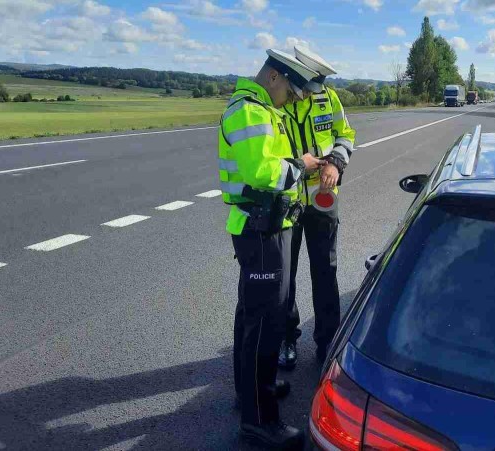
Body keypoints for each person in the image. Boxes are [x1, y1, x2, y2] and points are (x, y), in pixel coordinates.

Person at [218, 48, 326, 449]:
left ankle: (250, 393)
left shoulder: (263, 109)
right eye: (293, 91)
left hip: (265, 228)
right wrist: (303, 164)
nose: (296, 100)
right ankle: (259, 422)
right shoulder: (250, 111)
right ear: (276, 77)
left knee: (253, 315)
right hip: (261, 230)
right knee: (265, 323)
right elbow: (263, 172)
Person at [278, 46, 356, 369]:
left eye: (317, 86)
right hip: (287, 201)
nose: (312, 93)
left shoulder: (329, 99)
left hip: (324, 200)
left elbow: (346, 134)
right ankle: (286, 338)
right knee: (285, 275)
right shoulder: (278, 104)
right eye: (309, 86)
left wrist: (336, 162)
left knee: (326, 270)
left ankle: (327, 342)